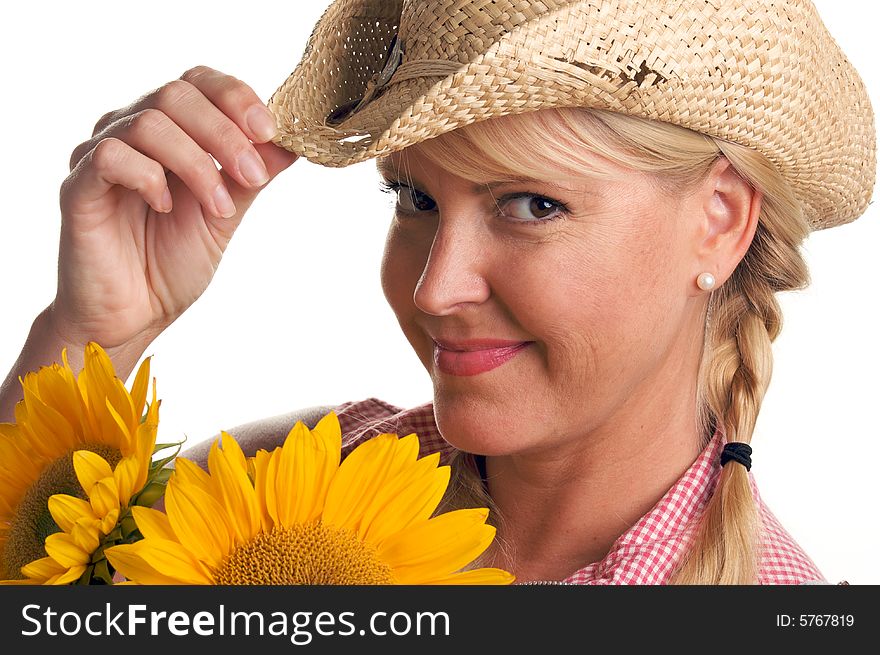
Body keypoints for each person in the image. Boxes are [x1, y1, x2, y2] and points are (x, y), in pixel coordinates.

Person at [0, 0, 875, 585]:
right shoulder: (286, 490)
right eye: (414, 197)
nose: (434, 286)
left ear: (719, 220)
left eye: (531, 205)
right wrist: (92, 329)